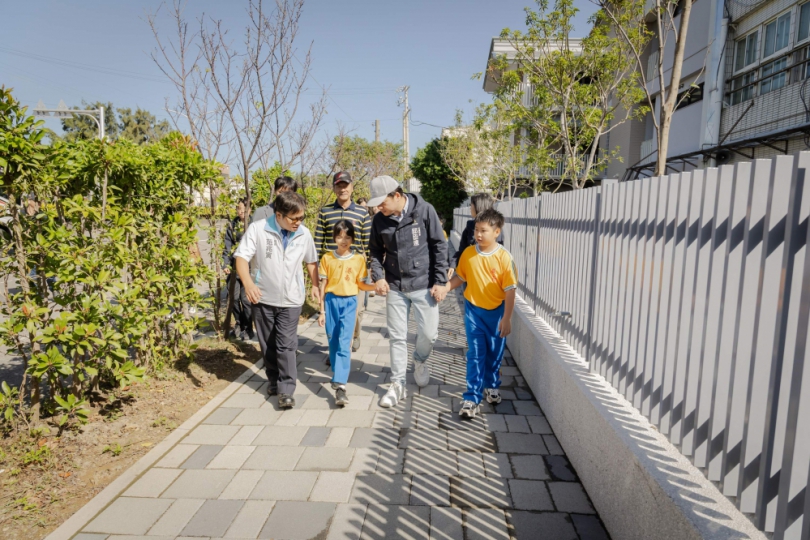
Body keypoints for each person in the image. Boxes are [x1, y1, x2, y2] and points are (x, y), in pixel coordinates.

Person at [368, 175, 449, 408]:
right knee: (397, 336)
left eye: (382, 203)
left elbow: (439, 246)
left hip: (424, 283)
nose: (379, 208)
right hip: (395, 284)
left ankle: (420, 360)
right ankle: (397, 384)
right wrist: (379, 277)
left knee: (429, 334)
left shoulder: (424, 210)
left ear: (396, 195)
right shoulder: (379, 220)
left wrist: (440, 281)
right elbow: (374, 251)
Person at [234, 191, 320, 409]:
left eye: (302, 218)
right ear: (279, 215)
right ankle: (273, 379)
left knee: (286, 345)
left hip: (292, 299)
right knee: (268, 344)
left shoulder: (304, 233)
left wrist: (316, 285)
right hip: (262, 297)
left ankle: (287, 389)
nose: (298, 223)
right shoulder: (258, 229)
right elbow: (242, 258)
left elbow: (311, 261)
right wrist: (249, 284)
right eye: (294, 218)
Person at [442, 208, 517, 419]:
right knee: (475, 354)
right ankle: (471, 397)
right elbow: (460, 277)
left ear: (497, 232)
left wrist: (507, 318)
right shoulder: (468, 253)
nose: (479, 234)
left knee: (494, 353)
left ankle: (492, 385)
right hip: (473, 312)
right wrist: (446, 288)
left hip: (497, 313)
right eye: (476, 230)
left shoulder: (504, 258)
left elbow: (510, 290)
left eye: (484, 230)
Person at [317, 220, 376, 406]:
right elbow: (322, 285)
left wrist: (375, 286)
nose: (343, 240)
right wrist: (321, 311)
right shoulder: (327, 258)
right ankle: (337, 371)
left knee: (344, 342)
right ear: (334, 237)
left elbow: (361, 284)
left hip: (350, 302)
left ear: (353, 239)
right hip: (331, 301)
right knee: (332, 340)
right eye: (340, 236)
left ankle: (340, 384)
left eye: (348, 237)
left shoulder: (359, 259)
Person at [314, 171, 371, 353]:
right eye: (339, 185)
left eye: (346, 185)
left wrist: (370, 269)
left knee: (357, 311)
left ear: (352, 187)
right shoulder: (325, 212)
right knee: (333, 313)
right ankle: (337, 350)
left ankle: (354, 334)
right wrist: (315, 274)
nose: (342, 189)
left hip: (356, 270)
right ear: (334, 188)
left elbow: (368, 242)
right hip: (332, 270)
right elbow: (317, 242)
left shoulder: (362, 213)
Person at [223, 198, 254, 340]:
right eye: (238, 209)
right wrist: (226, 265)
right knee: (233, 298)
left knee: (246, 299)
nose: (241, 212)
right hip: (234, 267)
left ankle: (248, 327)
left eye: (244, 209)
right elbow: (227, 248)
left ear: (249, 210)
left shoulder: (254, 225)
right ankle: (239, 323)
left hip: (249, 268)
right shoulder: (232, 225)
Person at [450, 193, 505, 274]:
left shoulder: (494, 228)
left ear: (478, 206)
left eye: (471, 204)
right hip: (471, 271)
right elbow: (462, 250)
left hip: (489, 273)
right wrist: (453, 265)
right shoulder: (470, 225)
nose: (470, 208)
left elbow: (498, 250)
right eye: (476, 230)